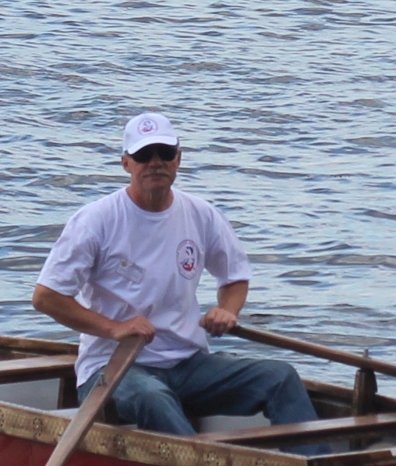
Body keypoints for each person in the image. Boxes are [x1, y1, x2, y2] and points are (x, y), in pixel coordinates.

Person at [33, 112, 317, 435]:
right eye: (143, 155)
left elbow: (235, 275)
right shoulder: (95, 221)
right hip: (113, 367)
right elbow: (46, 297)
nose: (155, 162)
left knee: (281, 377)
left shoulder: (202, 215)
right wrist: (114, 328)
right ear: (126, 163)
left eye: (164, 153)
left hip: (187, 363)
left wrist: (227, 310)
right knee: (155, 398)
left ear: (178, 159)